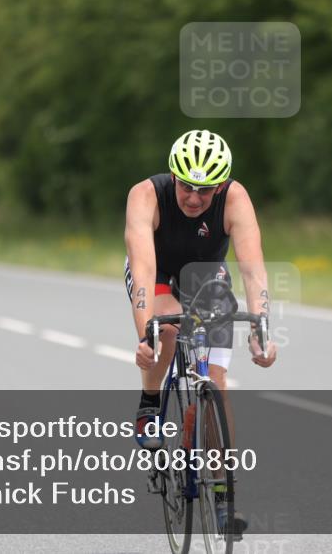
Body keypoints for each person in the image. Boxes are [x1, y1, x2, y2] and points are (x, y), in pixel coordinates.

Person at [123, 129, 277, 536]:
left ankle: (224, 499)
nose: (194, 199)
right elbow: (142, 269)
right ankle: (150, 402)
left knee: (217, 383)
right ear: (174, 177)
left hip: (207, 277)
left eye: (205, 191)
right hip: (157, 273)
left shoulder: (236, 199)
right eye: (187, 187)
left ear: (220, 186)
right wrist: (145, 336)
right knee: (168, 328)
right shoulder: (146, 195)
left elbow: (253, 270)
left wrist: (261, 328)